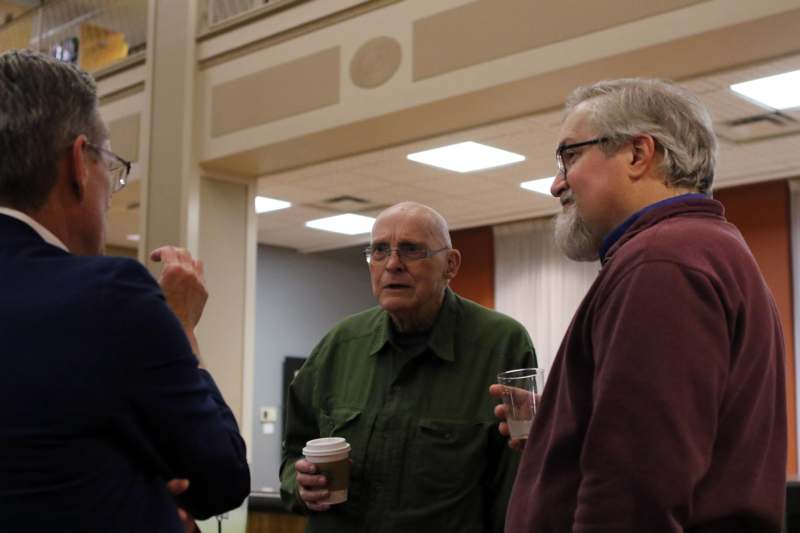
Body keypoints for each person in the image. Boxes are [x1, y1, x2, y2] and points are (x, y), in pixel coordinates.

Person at [493, 78, 787, 532]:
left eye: (569, 156)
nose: (556, 184)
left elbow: (633, 492)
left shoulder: (661, 263)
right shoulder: (702, 249)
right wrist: (557, 431)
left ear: (637, 154)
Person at [0, 49, 250, 532]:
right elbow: (219, 477)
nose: (109, 194)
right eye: (109, 168)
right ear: (77, 163)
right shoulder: (109, 296)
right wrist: (180, 327)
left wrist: (116, 479)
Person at [280, 201, 536, 533]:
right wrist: (299, 485)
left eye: (411, 250)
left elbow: (516, 483)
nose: (393, 264)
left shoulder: (500, 345)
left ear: (451, 264)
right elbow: (292, 452)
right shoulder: (340, 345)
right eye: (380, 251)